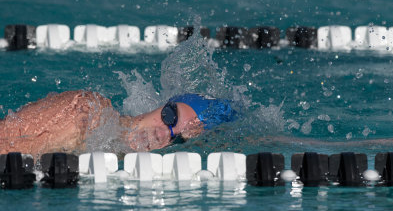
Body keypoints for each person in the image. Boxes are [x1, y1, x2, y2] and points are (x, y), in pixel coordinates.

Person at [0, 90, 236, 158]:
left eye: (178, 137)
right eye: (170, 117)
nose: (161, 133)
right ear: (162, 105)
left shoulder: (117, 155)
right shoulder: (85, 114)